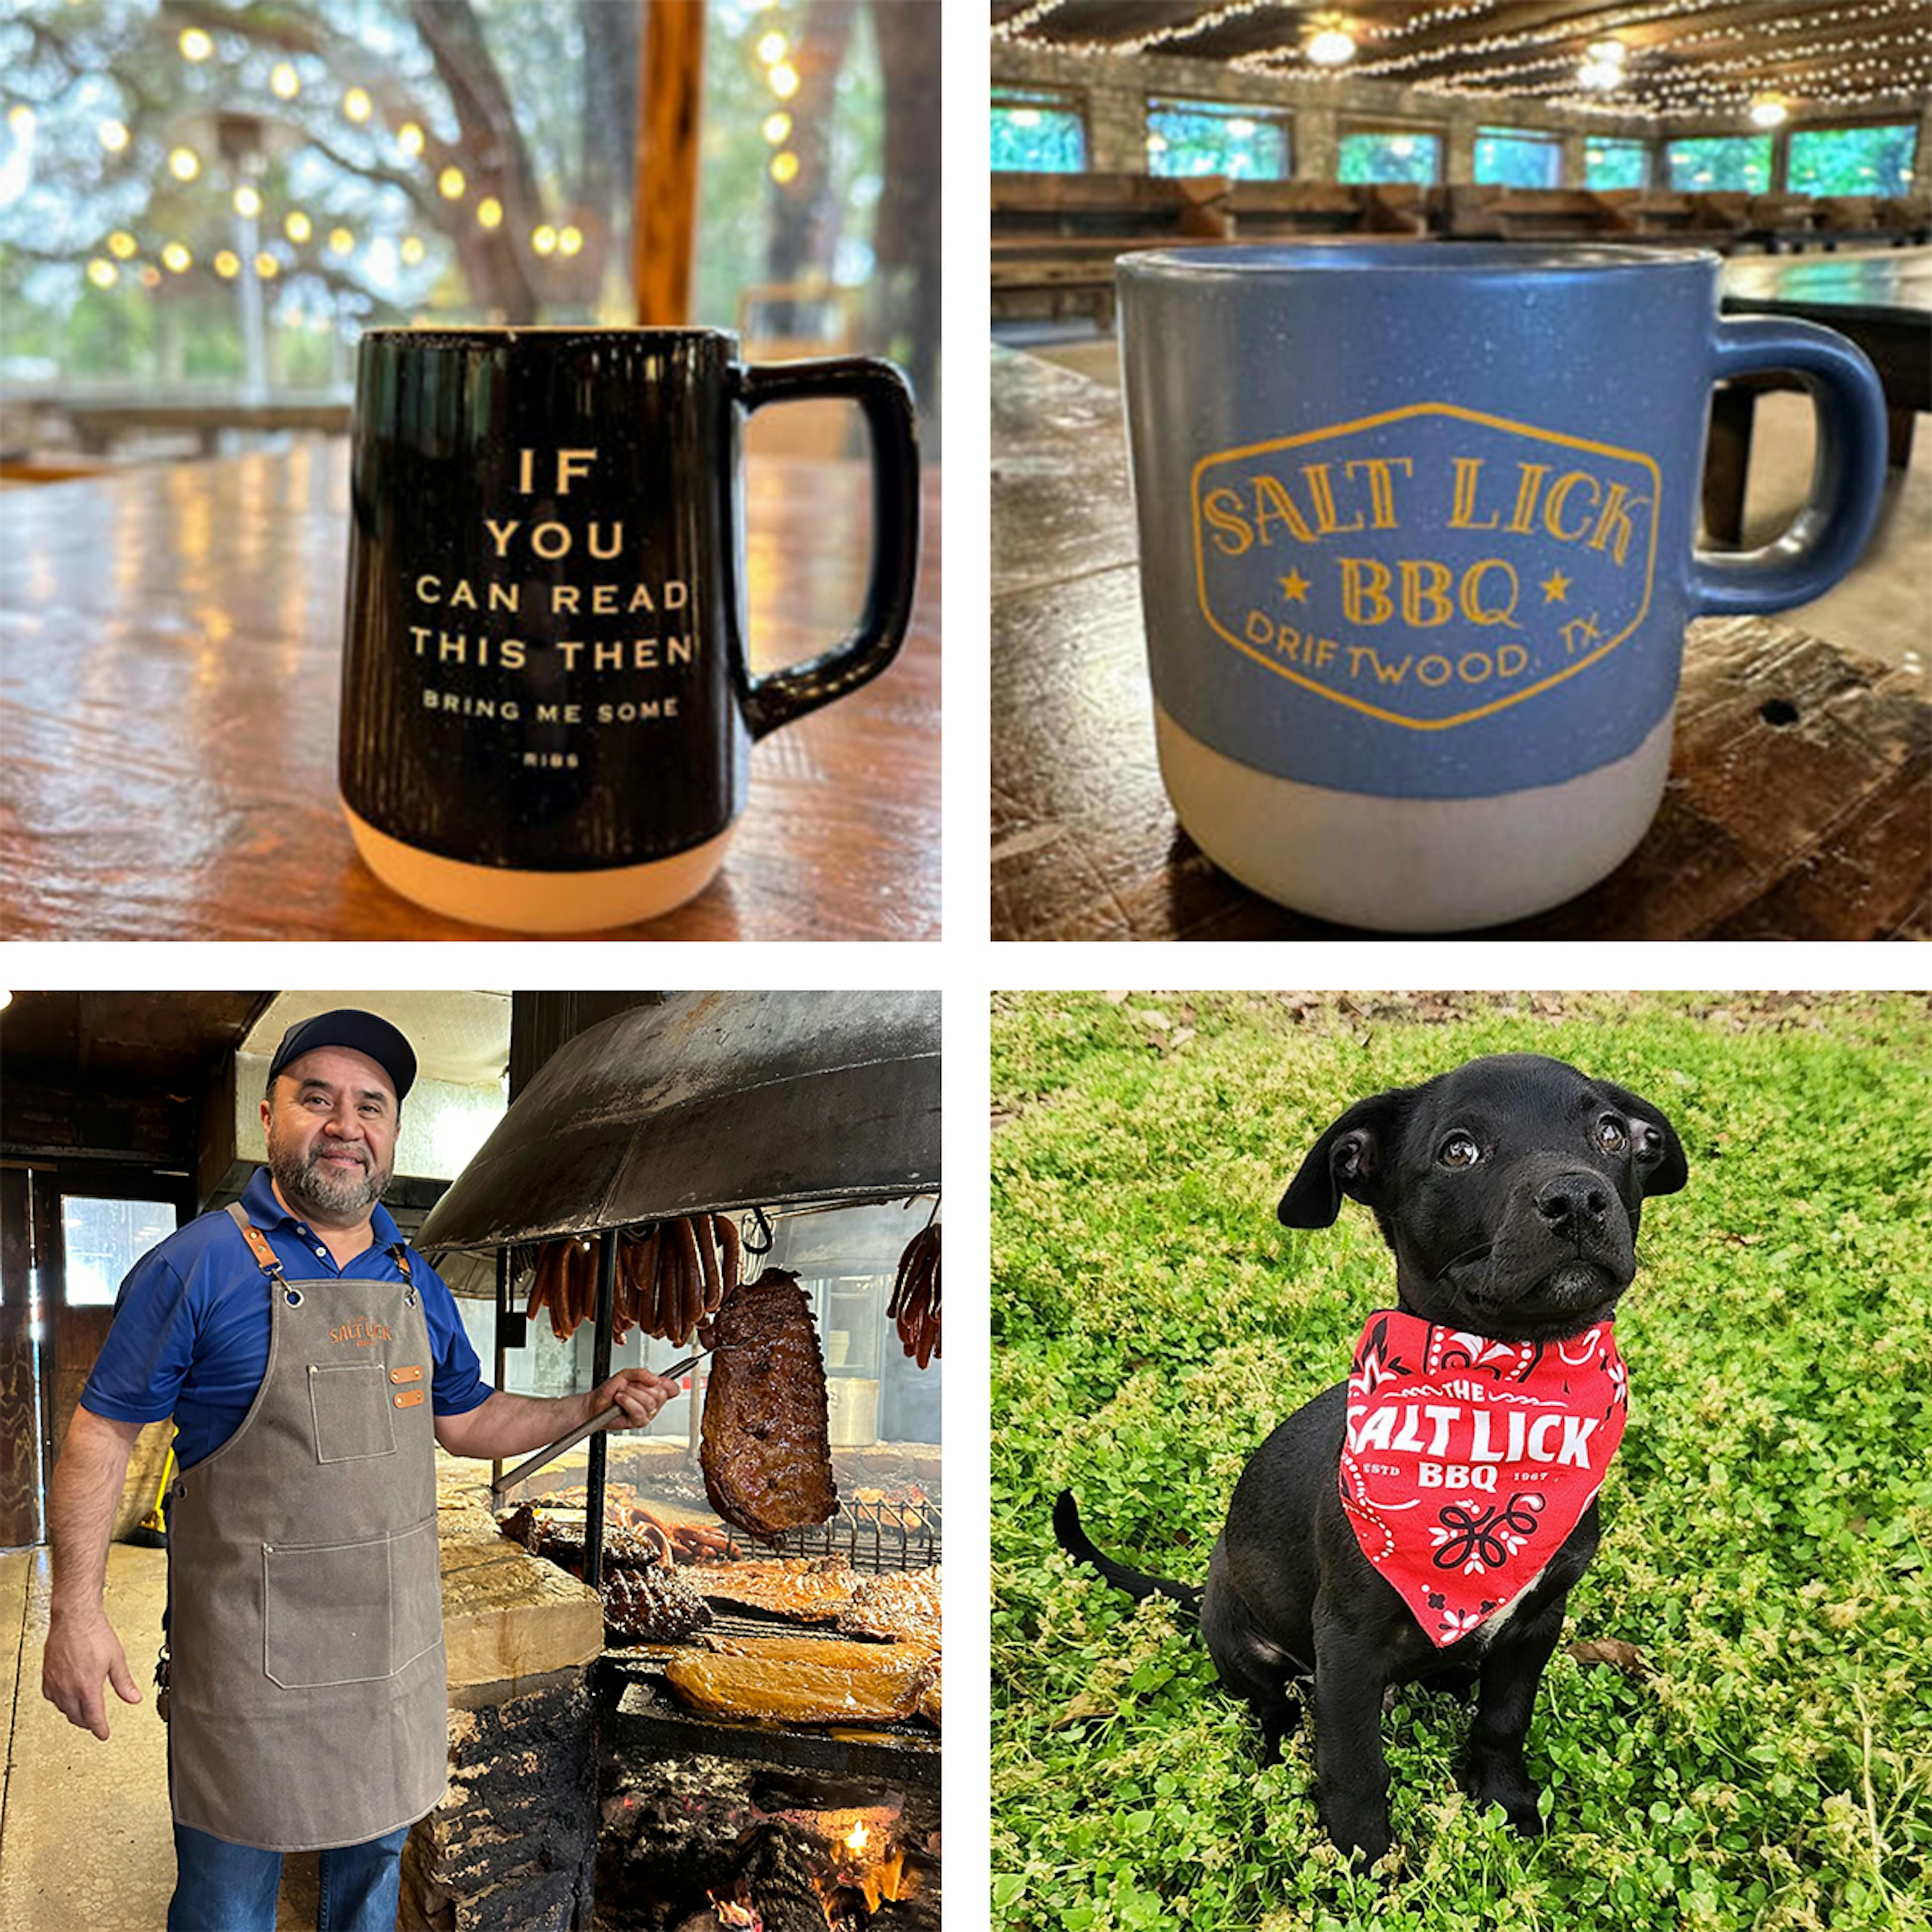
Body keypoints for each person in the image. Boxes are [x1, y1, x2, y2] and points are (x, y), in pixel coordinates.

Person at [40, 1009, 679, 1932]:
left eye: (370, 1106)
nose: (346, 1124)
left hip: (388, 1658)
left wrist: (589, 1403)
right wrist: (77, 1610)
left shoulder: (414, 1276)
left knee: (372, 1889)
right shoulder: (196, 1266)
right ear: (270, 1117)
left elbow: (468, 1420)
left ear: (391, 1135)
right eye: (318, 1099)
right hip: (248, 1666)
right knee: (226, 1904)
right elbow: (100, 1435)